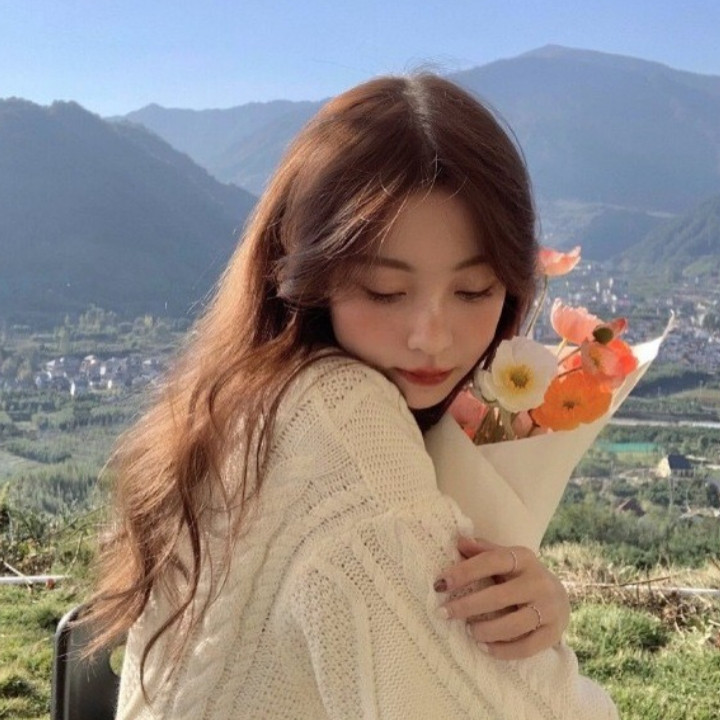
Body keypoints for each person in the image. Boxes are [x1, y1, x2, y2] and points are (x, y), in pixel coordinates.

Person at [86, 73, 618, 719]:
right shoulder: (343, 416)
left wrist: (525, 604)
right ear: (308, 274)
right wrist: (542, 653)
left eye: (474, 290)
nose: (432, 337)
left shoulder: (253, 394)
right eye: (384, 292)